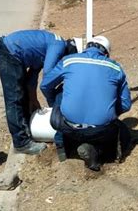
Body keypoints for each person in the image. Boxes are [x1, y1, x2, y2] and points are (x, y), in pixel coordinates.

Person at [41, 35, 132, 171]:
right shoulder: (116, 68)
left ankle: (61, 144)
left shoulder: (69, 61)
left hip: (66, 126)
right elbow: (126, 104)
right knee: (123, 132)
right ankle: (97, 152)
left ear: (86, 48)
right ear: (106, 53)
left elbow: (45, 85)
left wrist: (54, 105)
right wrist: (110, 112)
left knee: (61, 92)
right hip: (101, 130)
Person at [0, 30, 77, 155]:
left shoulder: (46, 49)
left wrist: (33, 99)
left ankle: (26, 129)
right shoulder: (58, 45)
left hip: (11, 51)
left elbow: (32, 79)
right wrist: (54, 106)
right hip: (8, 52)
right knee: (14, 97)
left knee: (22, 94)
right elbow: (48, 78)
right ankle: (21, 143)